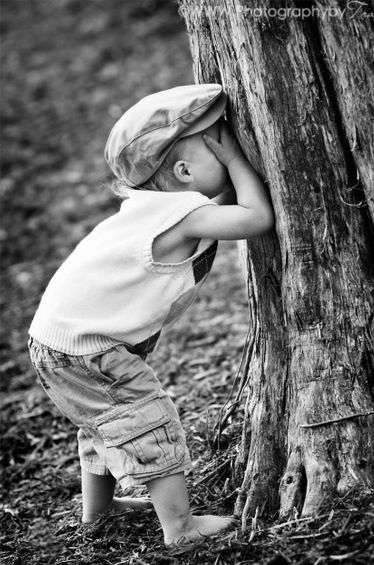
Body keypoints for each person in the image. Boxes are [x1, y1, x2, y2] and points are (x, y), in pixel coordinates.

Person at [27, 84, 274, 545]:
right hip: (90, 351)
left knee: (103, 425)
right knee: (146, 419)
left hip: (58, 342)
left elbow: (225, 210)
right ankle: (179, 527)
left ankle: (98, 511)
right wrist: (240, 162)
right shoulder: (182, 213)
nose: (230, 148)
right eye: (219, 145)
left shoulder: (150, 208)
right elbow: (256, 219)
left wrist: (226, 162)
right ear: (183, 171)